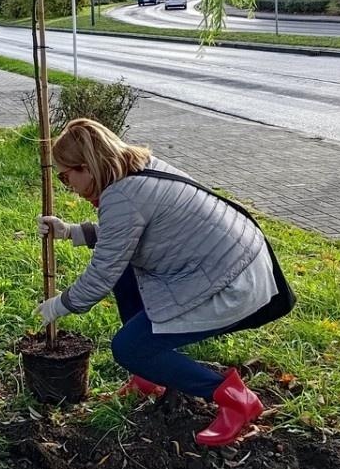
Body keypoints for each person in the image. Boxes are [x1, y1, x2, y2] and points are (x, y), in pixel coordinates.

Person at [37, 118, 295, 446]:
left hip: (233, 283)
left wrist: (61, 304)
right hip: (233, 261)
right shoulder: (138, 168)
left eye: (66, 176)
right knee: (126, 275)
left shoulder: (121, 197)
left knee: (129, 348)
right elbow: (126, 236)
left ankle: (234, 398)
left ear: (86, 167)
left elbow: (102, 273)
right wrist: (71, 232)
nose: (67, 185)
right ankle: (148, 376)